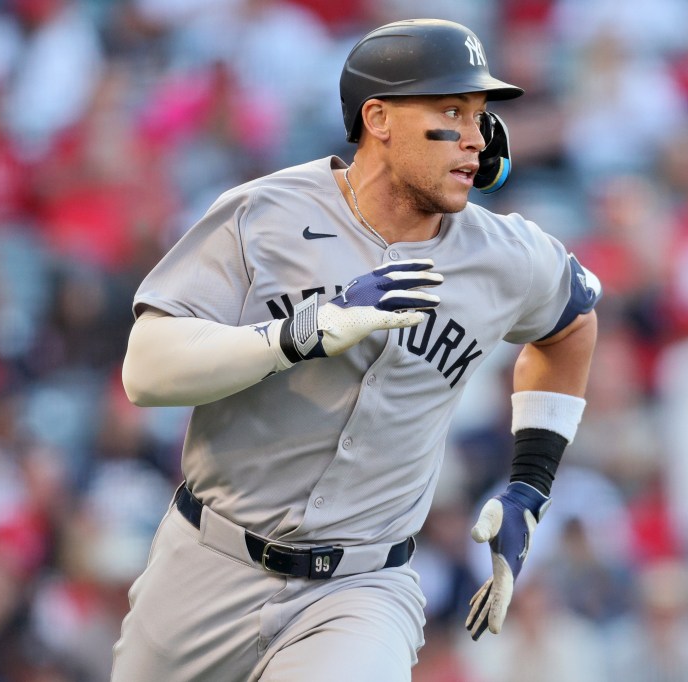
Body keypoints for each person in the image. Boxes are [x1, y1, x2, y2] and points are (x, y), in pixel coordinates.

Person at [110, 18, 601, 682]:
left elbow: (571, 324)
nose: (475, 138)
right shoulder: (264, 213)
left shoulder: (508, 256)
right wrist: (296, 336)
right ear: (379, 118)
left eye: (481, 116)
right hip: (205, 564)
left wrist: (529, 487)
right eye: (451, 111)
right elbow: (148, 369)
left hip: (361, 588)